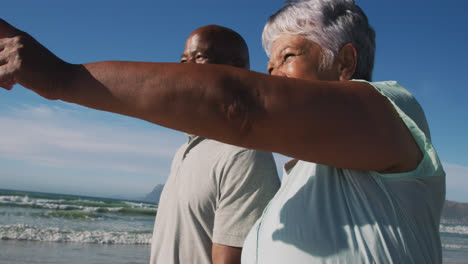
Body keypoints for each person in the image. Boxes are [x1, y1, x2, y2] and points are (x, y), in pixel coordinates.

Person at [0, 0, 445, 262]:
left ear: (345, 63)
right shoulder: (289, 194)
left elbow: (240, 105)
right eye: (267, 65)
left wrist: (60, 77)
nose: (270, 76)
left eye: (287, 57)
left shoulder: (393, 113)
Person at [149, 25, 280, 264]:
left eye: (199, 58)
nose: (184, 70)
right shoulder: (184, 151)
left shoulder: (245, 154)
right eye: (182, 60)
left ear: (237, 68)